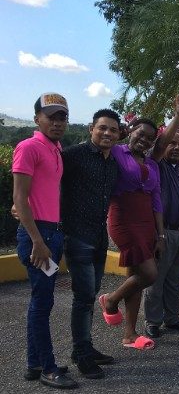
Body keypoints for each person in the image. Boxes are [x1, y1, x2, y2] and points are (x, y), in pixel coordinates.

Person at [13, 93, 78, 388]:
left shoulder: (55, 148)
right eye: (51, 116)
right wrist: (37, 240)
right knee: (42, 303)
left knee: (41, 302)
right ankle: (48, 368)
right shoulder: (28, 147)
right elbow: (19, 198)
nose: (57, 122)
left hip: (50, 231)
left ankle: (34, 363)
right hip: (38, 235)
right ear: (37, 118)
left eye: (62, 117)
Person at [61, 109, 121, 379]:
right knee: (84, 297)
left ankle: (84, 347)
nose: (107, 133)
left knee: (91, 292)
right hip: (76, 235)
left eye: (113, 130)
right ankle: (81, 353)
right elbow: (47, 181)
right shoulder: (73, 156)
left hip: (98, 237)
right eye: (102, 128)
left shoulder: (112, 163)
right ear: (91, 129)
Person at [101, 116, 164, 351]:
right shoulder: (117, 153)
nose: (144, 140)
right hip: (123, 219)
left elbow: (156, 200)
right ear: (130, 131)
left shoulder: (153, 165)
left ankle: (129, 335)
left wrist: (161, 235)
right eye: (141, 134)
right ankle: (111, 299)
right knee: (149, 274)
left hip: (147, 221)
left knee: (135, 277)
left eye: (150, 138)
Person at [143, 114, 179, 339]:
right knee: (157, 279)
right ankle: (152, 321)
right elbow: (161, 144)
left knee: (175, 279)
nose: (175, 147)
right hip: (165, 233)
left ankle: (172, 318)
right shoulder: (157, 166)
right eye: (172, 143)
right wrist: (178, 118)